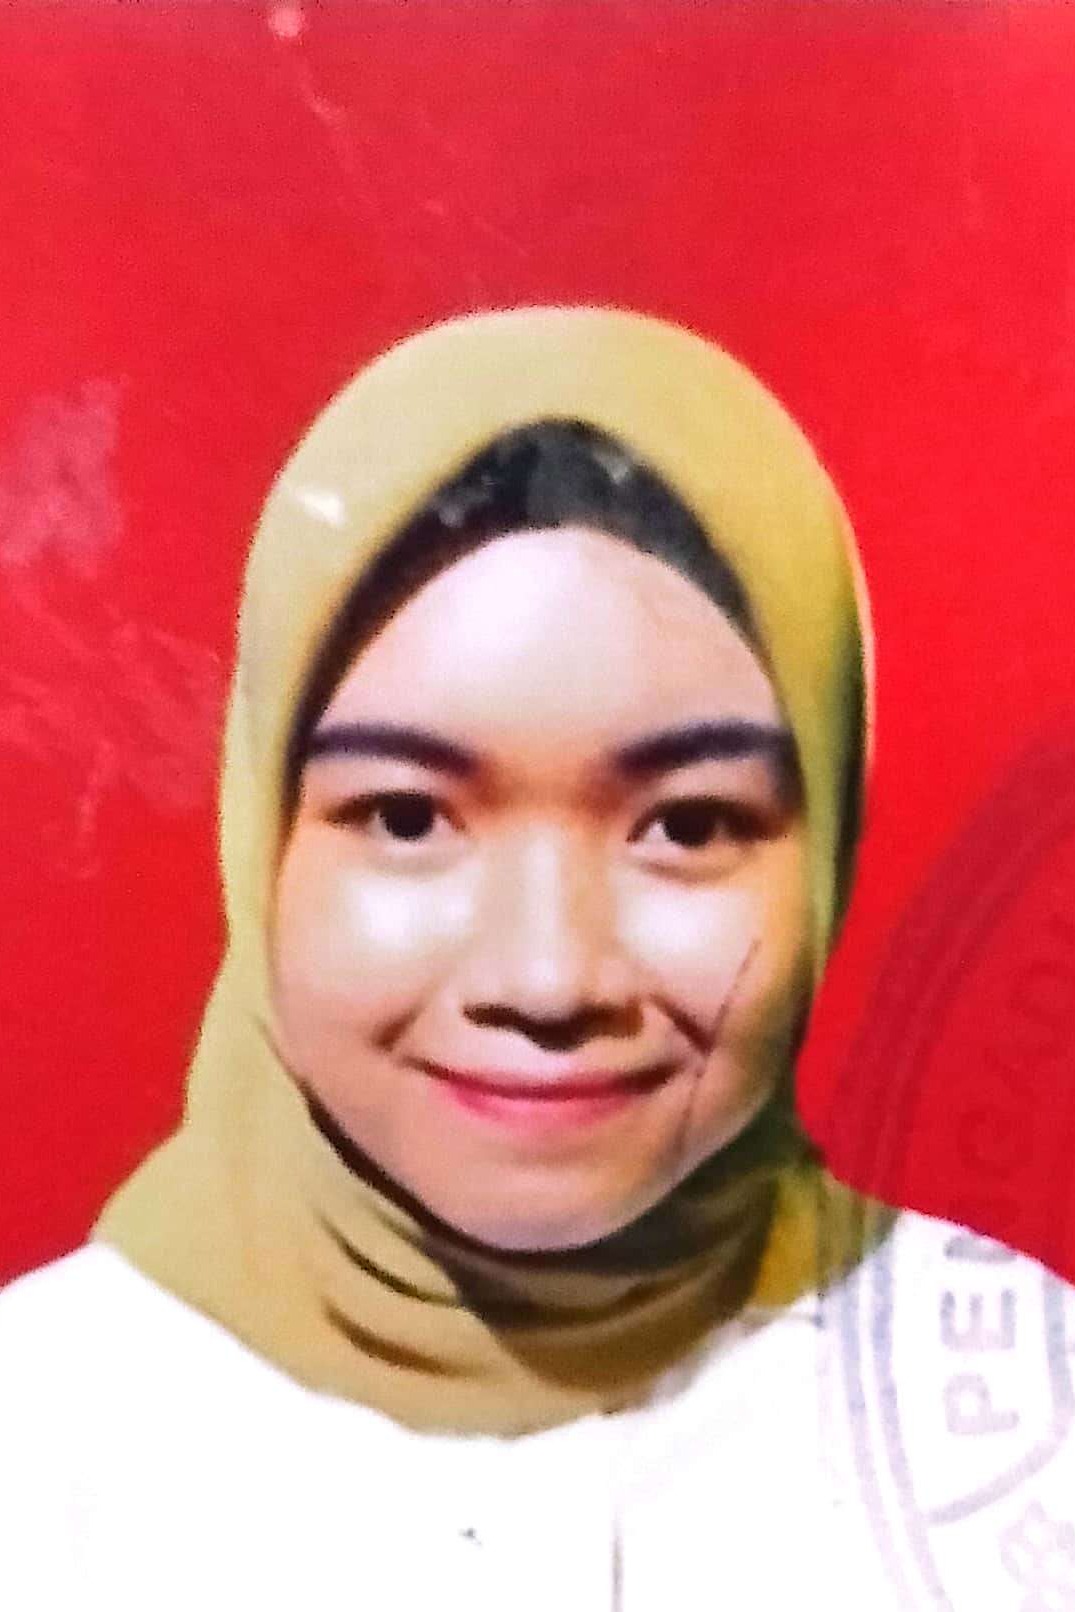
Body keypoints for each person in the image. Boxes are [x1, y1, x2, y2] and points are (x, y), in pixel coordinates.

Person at [0, 307, 1070, 1610]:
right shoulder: (41, 1448)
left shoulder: (1020, 1412)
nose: (549, 979)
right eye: (406, 817)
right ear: (259, 838)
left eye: (688, 825)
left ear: (828, 841)